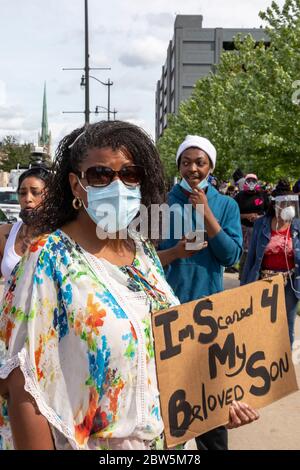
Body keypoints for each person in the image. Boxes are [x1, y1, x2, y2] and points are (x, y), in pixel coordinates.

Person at [0, 122, 258, 450]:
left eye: (130, 174)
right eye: (100, 175)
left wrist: (218, 396)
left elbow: (168, 350)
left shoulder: (143, 252)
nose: (117, 185)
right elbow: (22, 384)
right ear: (76, 185)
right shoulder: (48, 258)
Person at [158, 135, 243, 450]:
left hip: (209, 317)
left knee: (211, 406)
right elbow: (144, 260)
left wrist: (208, 215)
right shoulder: (161, 202)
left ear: (210, 166)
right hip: (167, 315)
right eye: (186, 161)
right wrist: (176, 252)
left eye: (200, 162)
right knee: (170, 408)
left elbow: (232, 256)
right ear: (178, 164)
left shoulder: (226, 205)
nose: (192, 168)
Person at [241, 179, 300, 346]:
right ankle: (263, 356)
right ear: (275, 205)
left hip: (290, 283)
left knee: (286, 324)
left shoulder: (296, 226)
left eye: (291, 203)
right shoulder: (262, 224)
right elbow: (252, 256)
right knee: (261, 321)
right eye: (284, 203)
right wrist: (245, 285)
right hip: (264, 281)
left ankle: (284, 364)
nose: (288, 207)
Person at [0, 167, 49, 285]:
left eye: (35, 192)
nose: (27, 199)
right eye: (22, 193)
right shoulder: (5, 234)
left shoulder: (61, 237)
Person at [234, 174, 270, 279]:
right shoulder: (240, 196)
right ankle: (243, 277)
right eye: (248, 180)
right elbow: (233, 214)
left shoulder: (263, 195)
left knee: (259, 252)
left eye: (253, 180)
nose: (251, 183)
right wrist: (246, 216)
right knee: (245, 254)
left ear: (257, 182)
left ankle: (257, 276)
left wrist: (259, 217)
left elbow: (269, 213)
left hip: (260, 229)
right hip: (244, 229)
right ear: (245, 182)